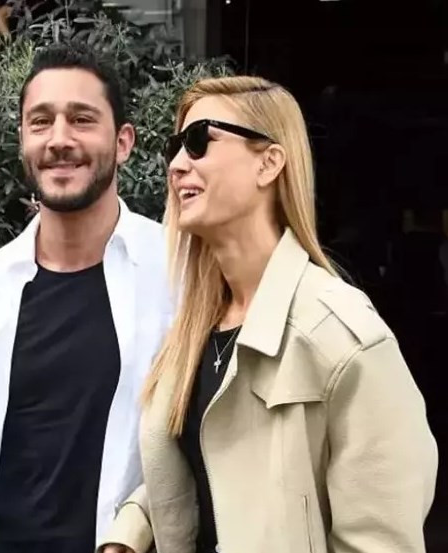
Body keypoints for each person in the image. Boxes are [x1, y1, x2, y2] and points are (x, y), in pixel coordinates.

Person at [100, 76, 438, 553]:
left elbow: (383, 541)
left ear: (269, 163)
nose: (176, 165)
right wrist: (130, 534)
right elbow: (210, 470)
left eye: (199, 141)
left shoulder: (344, 337)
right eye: (175, 148)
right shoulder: (196, 327)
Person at [0, 42, 173, 553]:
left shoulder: (174, 272)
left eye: (82, 119)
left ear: (123, 142)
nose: (59, 139)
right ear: (23, 140)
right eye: (41, 122)